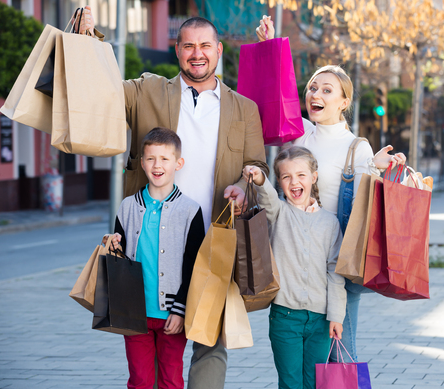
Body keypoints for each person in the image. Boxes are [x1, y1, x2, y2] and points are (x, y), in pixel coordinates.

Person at [76, 8, 269, 388]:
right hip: (152, 237)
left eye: (206, 46)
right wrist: (89, 39)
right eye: (188, 46)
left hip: (213, 235)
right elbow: (105, 87)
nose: (197, 53)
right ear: (176, 50)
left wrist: (248, 180)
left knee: (208, 336)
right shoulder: (147, 89)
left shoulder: (244, 109)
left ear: (218, 52)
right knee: (151, 336)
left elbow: (257, 164)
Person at [256, 15, 407, 364]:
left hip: (340, 261)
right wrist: (270, 46)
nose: (316, 94)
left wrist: (377, 172)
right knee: (311, 357)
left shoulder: (358, 147)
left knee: (342, 349)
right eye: (312, 87)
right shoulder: (298, 133)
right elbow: (276, 97)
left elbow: (367, 209)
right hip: (296, 258)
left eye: (327, 90)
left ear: (343, 102)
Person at [103, 128, 205, 389]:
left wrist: (180, 310)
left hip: (172, 313)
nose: (157, 165)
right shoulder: (127, 207)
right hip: (134, 313)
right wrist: (113, 244)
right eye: (150, 158)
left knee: (171, 380)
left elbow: (195, 265)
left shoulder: (190, 211)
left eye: (164, 159)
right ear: (142, 162)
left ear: (178, 163)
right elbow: (120, 258)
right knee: (140, 380)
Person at [243, 146, 346, 389]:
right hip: (284, 317)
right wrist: (259, 179)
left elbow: (335, 273)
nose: (294, 182)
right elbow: (267, 197)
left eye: (301, 175)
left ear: (314, 177)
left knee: (313, 383)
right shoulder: (278, 213)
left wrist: (336, 316)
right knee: (290, 383)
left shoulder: (330, 223)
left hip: (320, 320)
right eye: (286, 176)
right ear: (279, 181)